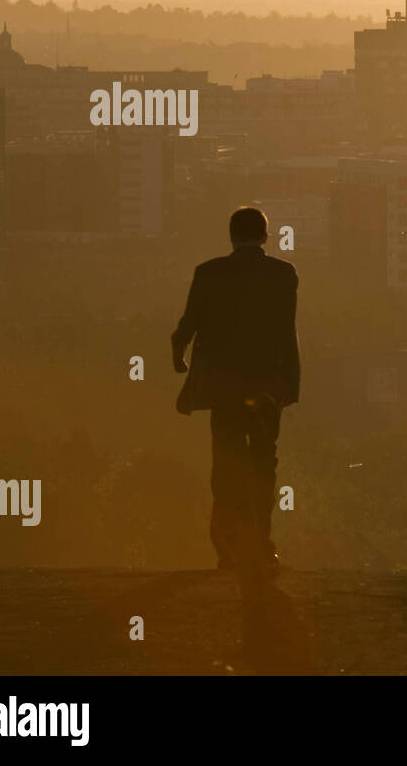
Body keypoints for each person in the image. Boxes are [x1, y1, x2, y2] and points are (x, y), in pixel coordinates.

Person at [171, 207, 299, 573]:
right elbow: (285, 333)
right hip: (267, 389)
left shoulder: (209, 273)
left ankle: (226, 546)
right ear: (265, 236)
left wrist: (178, 353)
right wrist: (289, 385)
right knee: (263, 464)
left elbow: (188, 324)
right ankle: (262, 545)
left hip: (224, 389)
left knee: (225, 465)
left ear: (231, 235)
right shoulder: (283, 275)